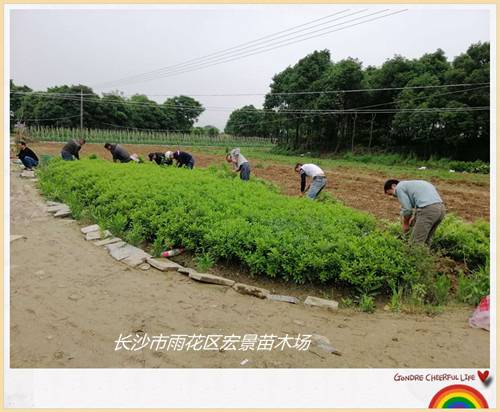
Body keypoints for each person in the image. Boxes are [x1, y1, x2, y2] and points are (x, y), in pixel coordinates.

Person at [384, 179, 446, 245]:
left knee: (415, 243)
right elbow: (421, 198)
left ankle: (414, 254)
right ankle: (425, 254)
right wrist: (414, 216)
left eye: (391, 194)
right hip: (441, 209)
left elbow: (407, 209)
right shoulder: (413, 184)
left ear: (394, 186)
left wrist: (406, 224)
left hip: (428, 210)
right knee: (426, 241)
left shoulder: (399, 187)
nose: (394, 196)